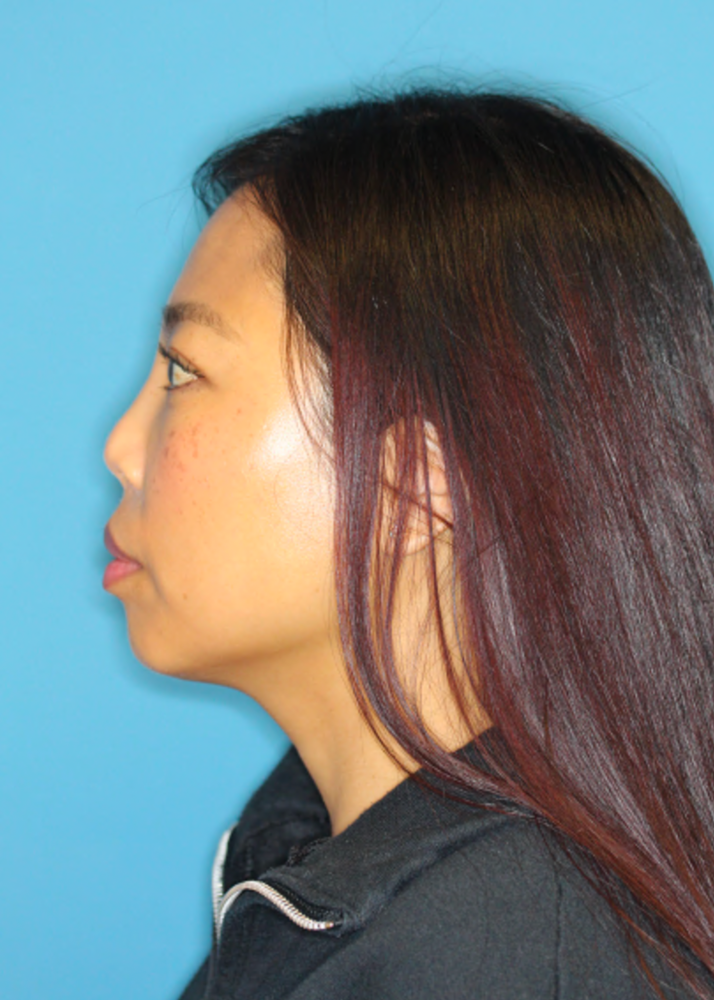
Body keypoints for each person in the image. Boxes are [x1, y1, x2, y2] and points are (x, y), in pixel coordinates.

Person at [102, 87, 714, 999]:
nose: (119, 448)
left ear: (415, 480)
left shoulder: (493, 960)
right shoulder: (345, 878)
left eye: (185, 372)